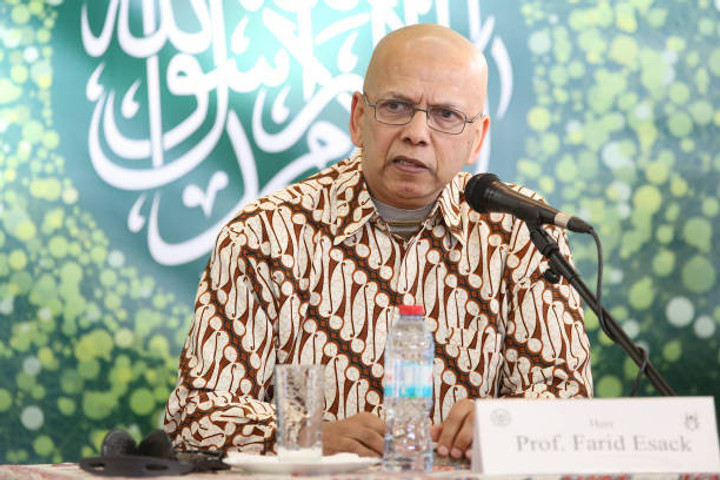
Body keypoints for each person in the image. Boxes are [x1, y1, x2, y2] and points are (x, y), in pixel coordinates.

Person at [164, 23, 593, 461]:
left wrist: (501, 420)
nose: (417, 132)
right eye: (396, 106)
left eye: (446, 115)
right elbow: (195, 417)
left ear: (476, 139)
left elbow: (569, 403)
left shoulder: (520, 232)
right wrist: (307, 434)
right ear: (358, 118)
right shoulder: (264, 235)